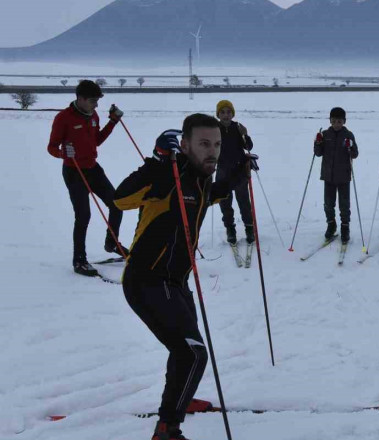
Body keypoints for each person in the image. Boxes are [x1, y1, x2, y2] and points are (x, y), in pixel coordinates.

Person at [114, 114, 255, 440]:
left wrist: (239, 172)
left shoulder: (200, 181)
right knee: (191, 353)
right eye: (204, 144)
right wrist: (159, 167)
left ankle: (180, 397)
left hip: (175, 282)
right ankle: (167, 429)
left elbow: (217, 191)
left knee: (185, 350)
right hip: (146, 280)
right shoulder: (166, 179)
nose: (213, 151)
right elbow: (120, 199)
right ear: (186, 145)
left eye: (217, 145)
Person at [47, 79, 126, 276]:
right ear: (80, 98)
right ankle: (79, 260)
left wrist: (113, 122)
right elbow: (51, 147)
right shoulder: (63, 118)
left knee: (117, 203)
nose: (96, 104)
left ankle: (112, 242)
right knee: (83, 215)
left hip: (93, 168)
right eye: (93, 100)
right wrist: (64, 153)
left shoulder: (93, 116)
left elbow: (96, 140)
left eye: (98, 100)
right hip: (74, 172)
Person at [314, 107, 359, 244]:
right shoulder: (326, 134)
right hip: (328, 176)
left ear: (344, 121)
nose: (336, 124)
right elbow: (318, 153)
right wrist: (318, 142)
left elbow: (355, 154)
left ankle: (345, 227)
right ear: (330, 121)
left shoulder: (348, 135)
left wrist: (350, 147)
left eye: (339, 121)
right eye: (333, 121)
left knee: (344, 205)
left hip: (344, 176)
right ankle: (331, 224)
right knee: (328, 204)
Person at [215, 99, 255, 246]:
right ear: (218, 114)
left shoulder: (238, 127)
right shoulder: (214, 129)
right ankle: (230, 229)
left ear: (233, 114)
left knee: (244, 202)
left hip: (239, 171)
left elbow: (248, 146)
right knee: (225, 202)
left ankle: (249, 228)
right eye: (223, 112)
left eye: (229, 112)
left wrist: (245, 135)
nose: (226, 115)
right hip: (222, 171)